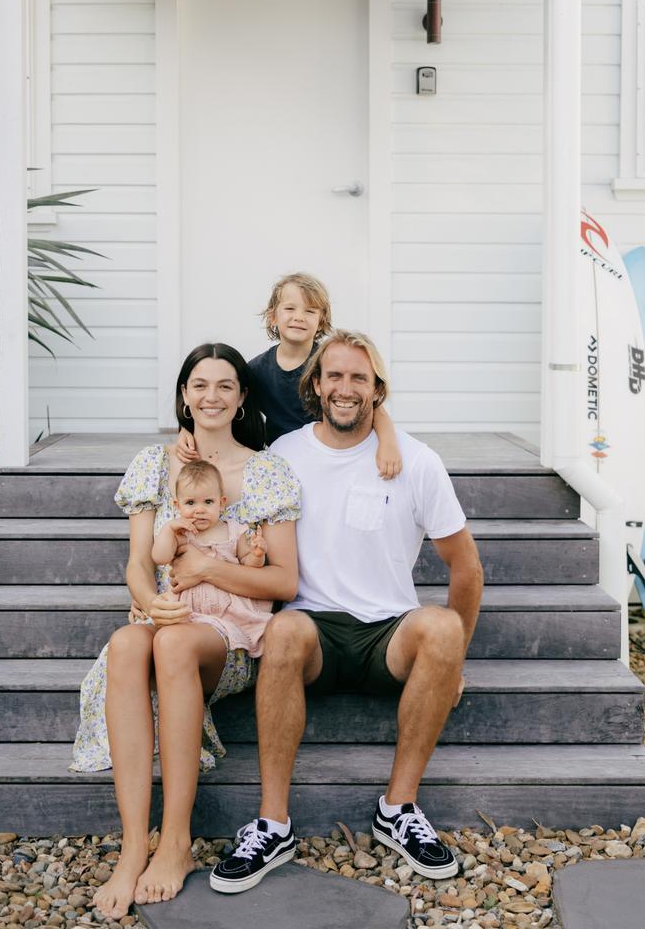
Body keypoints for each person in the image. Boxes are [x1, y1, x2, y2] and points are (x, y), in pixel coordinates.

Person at [208, 330, 484, 895]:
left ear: (377, 390)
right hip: (314, 632)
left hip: (390, 635)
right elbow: (225, 510)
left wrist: (454, 661)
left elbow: (467, 569)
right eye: (334, 375)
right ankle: (273, 823)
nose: (345, 388)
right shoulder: (284, 455)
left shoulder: (417, 461)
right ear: (315, 383)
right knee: (282, 631)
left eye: (359, 377)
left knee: (442, 625)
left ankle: (398, 808)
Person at [70, 343, 300, 920]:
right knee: (128, 641)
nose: (212, 396)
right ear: (183, 395)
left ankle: (175, 842)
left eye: (226, 385)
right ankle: (131, 848)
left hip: (229, 639)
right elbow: (138, 565)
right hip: (171, 619)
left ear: (243, 397)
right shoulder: (155, 463)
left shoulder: (266, 471)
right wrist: (150, 601)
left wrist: (209, 569)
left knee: (171, 643)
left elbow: (286, 582)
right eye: (200, 384)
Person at [177, 271, 403, 478]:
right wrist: (186, 430)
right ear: (273, 316)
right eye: (290, 309)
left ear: (321, 321)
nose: (299, 317)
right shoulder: (256, 370)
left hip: (327, 453)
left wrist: (388, 443)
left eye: (310, 311)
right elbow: (221, 403)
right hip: (281, 460)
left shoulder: (328, 364)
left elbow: (373, 406)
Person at [152, 459, 273, 656]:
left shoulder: (233, 531)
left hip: (228, 609)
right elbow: (160, 557)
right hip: (188, 609)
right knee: (175, 635)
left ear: (221, 503)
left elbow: (248, 565)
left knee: (253, 630)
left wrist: (257, 554)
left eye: (208, 502)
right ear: (177, 505)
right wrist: (168, 529)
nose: (199, 509)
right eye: (190, 503)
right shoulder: (180, 534)